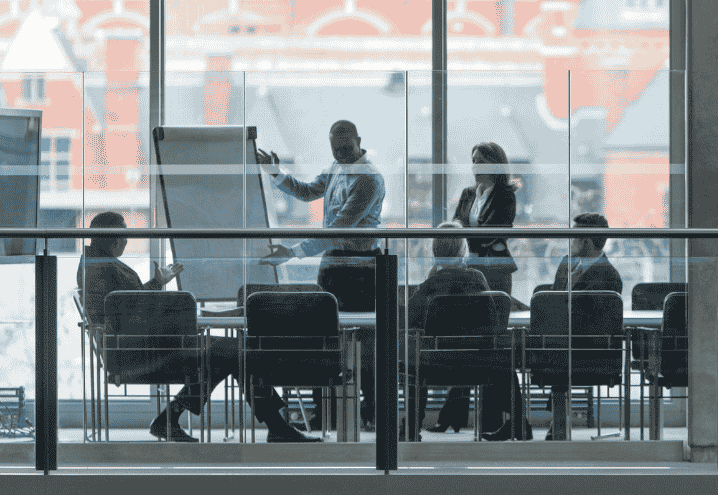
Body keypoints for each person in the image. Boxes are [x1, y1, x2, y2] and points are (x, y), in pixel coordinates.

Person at [78, 211, 318, 443]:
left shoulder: (98, 264)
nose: (127, 241)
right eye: (123, 235)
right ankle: (275, 426)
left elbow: (132, 307)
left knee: (230, 352)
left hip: (135, 345)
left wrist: (167, 299)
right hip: (135, 351)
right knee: (233, 352)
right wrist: (163, 294)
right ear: (110, 237)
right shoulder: (101, 267)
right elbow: (129, 308)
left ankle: (170, 418)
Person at [256, 119, 385, 432]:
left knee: (364, 344)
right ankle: (326, 411)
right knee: (325, 338)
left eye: (346, 148)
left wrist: (293, 250)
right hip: (336, 265)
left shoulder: (368, 179)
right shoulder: (337, 168)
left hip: (361, 269)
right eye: (336, 149)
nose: (341, 154)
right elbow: (307, 191)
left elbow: (338, 229)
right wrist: (275, 172)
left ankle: (371, 412)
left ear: (359, 141)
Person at [408, 221, 529, 439]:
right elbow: (492, 322)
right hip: (479, 366)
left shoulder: (427, 288)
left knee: (411, 361)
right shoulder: (477, 279)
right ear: (464, 250)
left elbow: (412, 325)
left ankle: (411, 426)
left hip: (436, 368)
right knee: (504, 359)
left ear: (434, 251)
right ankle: (518, 422)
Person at [540, 212, 623, 440]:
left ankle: (558, 421)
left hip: (591, 350)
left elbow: (588, 321)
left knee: (556, 354)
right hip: (565, 343)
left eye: (574, 236)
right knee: (554, 349)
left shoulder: (609, 277)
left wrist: (569, 290)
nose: (570, 240)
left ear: (586, 241)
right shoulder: (567, 264)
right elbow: (554, 306)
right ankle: (558, 420)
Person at [452, 142, 519, 297]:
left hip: (493, 270)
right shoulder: (467, 193)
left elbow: (491, 234)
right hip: (467, 269)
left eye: (481, 161)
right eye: (474, 161)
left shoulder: (505, 196)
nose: (475, 166)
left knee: (495, 316)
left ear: (496, 165)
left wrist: (463, 236)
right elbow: (456, 224)